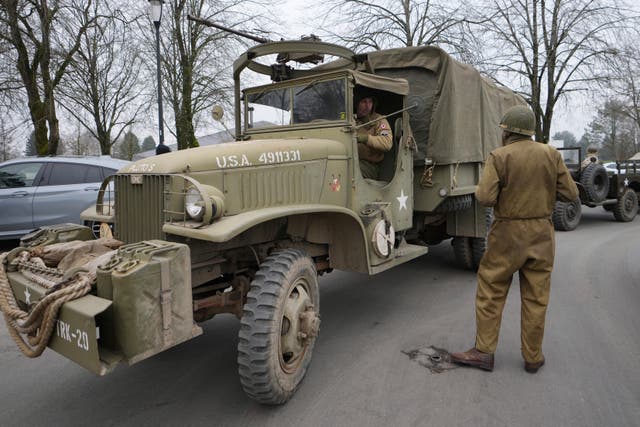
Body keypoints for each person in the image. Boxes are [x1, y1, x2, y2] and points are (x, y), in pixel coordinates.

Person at [451, 105, 579, 374]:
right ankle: (533, 357)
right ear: (530, 132)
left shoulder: (499, 156)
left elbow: (485, 198)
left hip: (507, 233)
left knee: (491, 290)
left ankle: (484, 352)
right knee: (536, 296)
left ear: (508, 131)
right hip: (542, 234)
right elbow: (570, 194)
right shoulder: (551, 154)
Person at [355, 92, 392, 180]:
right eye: (363, 102)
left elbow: (386, 142)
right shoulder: (350, 120)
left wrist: (365, 138)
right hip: (349, 160)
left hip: (369, 166)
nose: (368, 106)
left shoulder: (379, 121)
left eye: (370, 102)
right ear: (356, 103)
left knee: (347, 170)